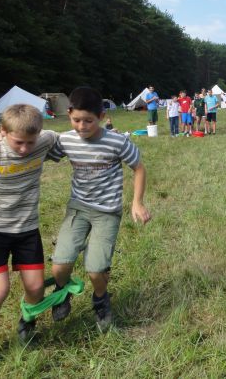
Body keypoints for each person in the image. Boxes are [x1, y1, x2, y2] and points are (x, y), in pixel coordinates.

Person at [0, 105, 58, 373]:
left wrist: (109, 135)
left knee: (36, 289)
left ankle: (26, 324)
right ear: (2, 132)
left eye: (31, 142)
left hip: (26, 229)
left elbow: (74, 137)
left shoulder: (45, 140)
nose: (25, 149)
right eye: (18, 142)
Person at [48, 87, 151, 332]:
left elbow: (139, 168)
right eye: (76, 120)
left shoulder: (117, 141)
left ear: (102, 116)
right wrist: (3, 138)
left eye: (88, 121)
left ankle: (100, 299)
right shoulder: (66, 140)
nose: (82, 126)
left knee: (95, 269)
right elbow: (35, 149)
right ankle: (62, 292)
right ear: (69, 113)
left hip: (107, 212)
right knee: (60, 264)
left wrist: (137, 202)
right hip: (78, 209)